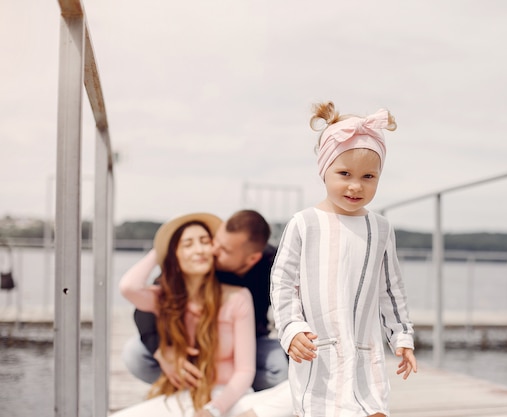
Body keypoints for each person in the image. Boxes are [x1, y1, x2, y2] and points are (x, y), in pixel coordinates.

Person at [270, 101, 418, 417]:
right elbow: (283, 284)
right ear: (325, 171)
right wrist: (292, 328)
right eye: (345, 173)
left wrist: (401, 335)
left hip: (366, 352)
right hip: (317, 352)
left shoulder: (380, 228)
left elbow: (390, 290)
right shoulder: (304, 223)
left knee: (374, 409)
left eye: (368, 176)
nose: (355, 185)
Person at [122, 210, 288, 392]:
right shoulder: (198, 261)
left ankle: (234, 390)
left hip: (245, 344)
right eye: (215, 240)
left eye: (224, 249)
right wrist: (164, 351)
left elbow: (296, 305)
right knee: (136, 354)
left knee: (283, 364)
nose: (213, 250)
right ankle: (185, 384)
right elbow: (146, 305)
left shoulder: (273, 267)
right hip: (193, 346)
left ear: (252, 259)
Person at [113, 212, 256, 416]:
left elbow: (245, 371)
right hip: (184, 396)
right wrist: (160, 249)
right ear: (174, 256)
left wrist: (214, 409)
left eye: (205, 242)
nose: (199, 250)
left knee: (286, 395)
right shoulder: (164, 298)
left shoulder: (238, 297)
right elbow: (128, 287)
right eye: (187, 245)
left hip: (229, 399)